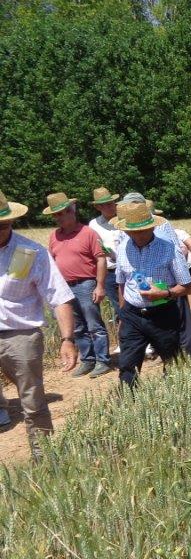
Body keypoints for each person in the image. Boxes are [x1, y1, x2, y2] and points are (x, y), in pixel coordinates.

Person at [0, 190, 78, 458]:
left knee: (32, 401)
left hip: (20, 336)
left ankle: (44, 459)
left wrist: (68, 339)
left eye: (4, 225)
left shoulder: (29, 252)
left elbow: (58, 296)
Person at [112, 201, 191, 387]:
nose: (138, 235)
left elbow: (187, 286)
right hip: (132, 315)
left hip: (163, 314)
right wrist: (123, 313)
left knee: (172, 360)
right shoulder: (123, 248)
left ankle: (173, 394)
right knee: (127, 364)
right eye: (133, 232)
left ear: (152, 226)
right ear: (126, 231)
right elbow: (121, 283)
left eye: (143, 230)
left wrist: (165, 293)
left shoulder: (168, 248)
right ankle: (128, 401)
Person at [123, 192, 191, 361]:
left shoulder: (162, 224)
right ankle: (165, 352)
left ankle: (189, 354)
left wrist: (172, 281)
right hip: (142, 283)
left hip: (167, 280)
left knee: (180, 319)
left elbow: (176, 250)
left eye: (136, 204)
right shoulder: (125, 226)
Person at [44, 192, 112, 378]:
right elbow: (51, 260)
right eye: (55, 215)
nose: (57, 218)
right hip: (65, 287)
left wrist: (100, 286)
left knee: (93, 324)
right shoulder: (54, 236)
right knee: (77, 327)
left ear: (71, 211)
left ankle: (103, 360)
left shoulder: (88, 233)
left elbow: (100, 260)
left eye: (60, 214)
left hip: (86, 284)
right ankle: (88, 360)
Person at [87, 187, 125, 321]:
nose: (110, 207)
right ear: (98, 207)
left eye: (111, 203)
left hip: (128, 269)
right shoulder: (93, 225)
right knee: (118, 306)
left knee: (132, 303)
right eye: (106, 205)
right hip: (108, 271)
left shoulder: (124, 219)